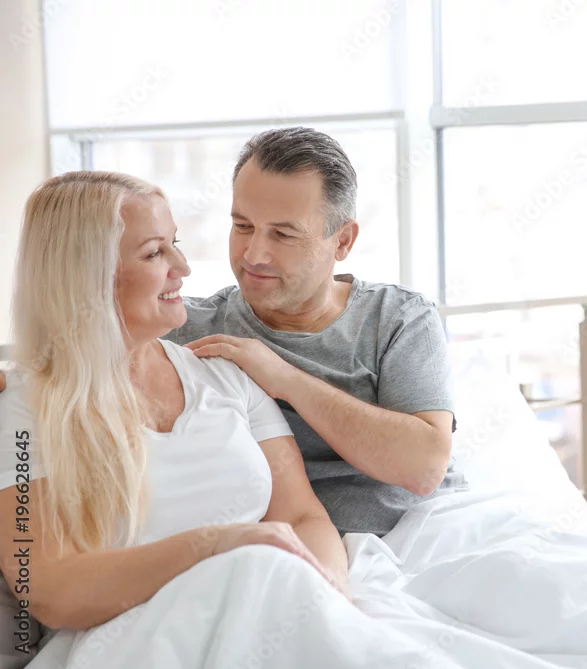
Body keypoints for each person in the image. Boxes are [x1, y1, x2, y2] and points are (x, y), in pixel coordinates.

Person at [0, 171, 348, 633]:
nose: (182, 266)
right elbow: (48, 588)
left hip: (277, 609)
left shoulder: (225, 375)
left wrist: (321, 600)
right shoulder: (25, 408)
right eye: (154, 252)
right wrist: (215, 544)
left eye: (175, 243)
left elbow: (304, 517)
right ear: (85, 276)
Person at [163, 126, 465, 537]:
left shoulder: (398, 319)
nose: (253, 254)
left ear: (342, 241)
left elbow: (424, 468)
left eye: (283, 234)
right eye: (243, 226)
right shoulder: (188, 331)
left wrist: (284, 379)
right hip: (285, 552)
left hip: (424, 538)